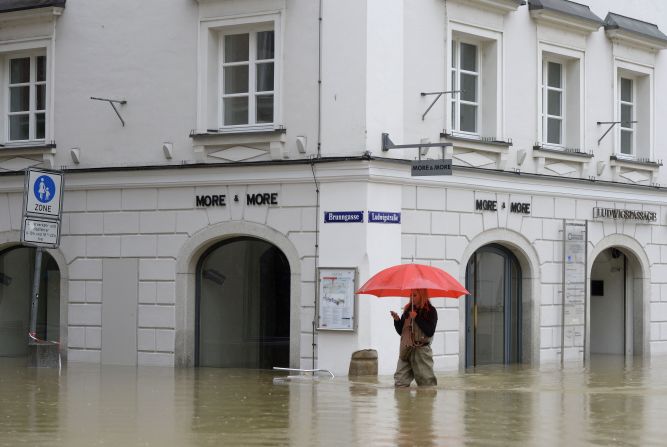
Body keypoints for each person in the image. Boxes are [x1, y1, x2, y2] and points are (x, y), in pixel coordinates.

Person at [390, 288, 438, 387]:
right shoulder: (407, 310)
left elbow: (430, 331)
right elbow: (401, 332)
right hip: (406, 349)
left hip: (422, 352)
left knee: (427, 385)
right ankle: (404, 402)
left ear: (422, 296)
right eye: (411, 295)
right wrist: (397, 321)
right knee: (400, 383)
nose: (412, 298)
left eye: (415, 295)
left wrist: (417, 318)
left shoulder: (431, 311)